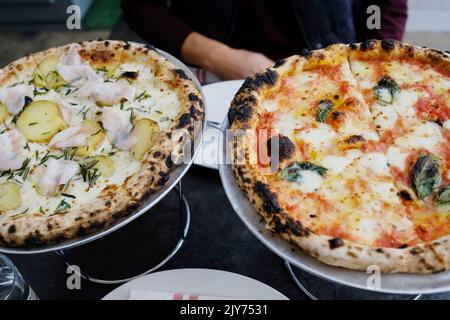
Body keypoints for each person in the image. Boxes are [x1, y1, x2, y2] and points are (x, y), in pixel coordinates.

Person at [121, 0, 408, 83]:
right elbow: (141, 6)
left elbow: (384, 5)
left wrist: (374, 60)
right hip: (214, 73)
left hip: (336, 69)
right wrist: (219, 57)